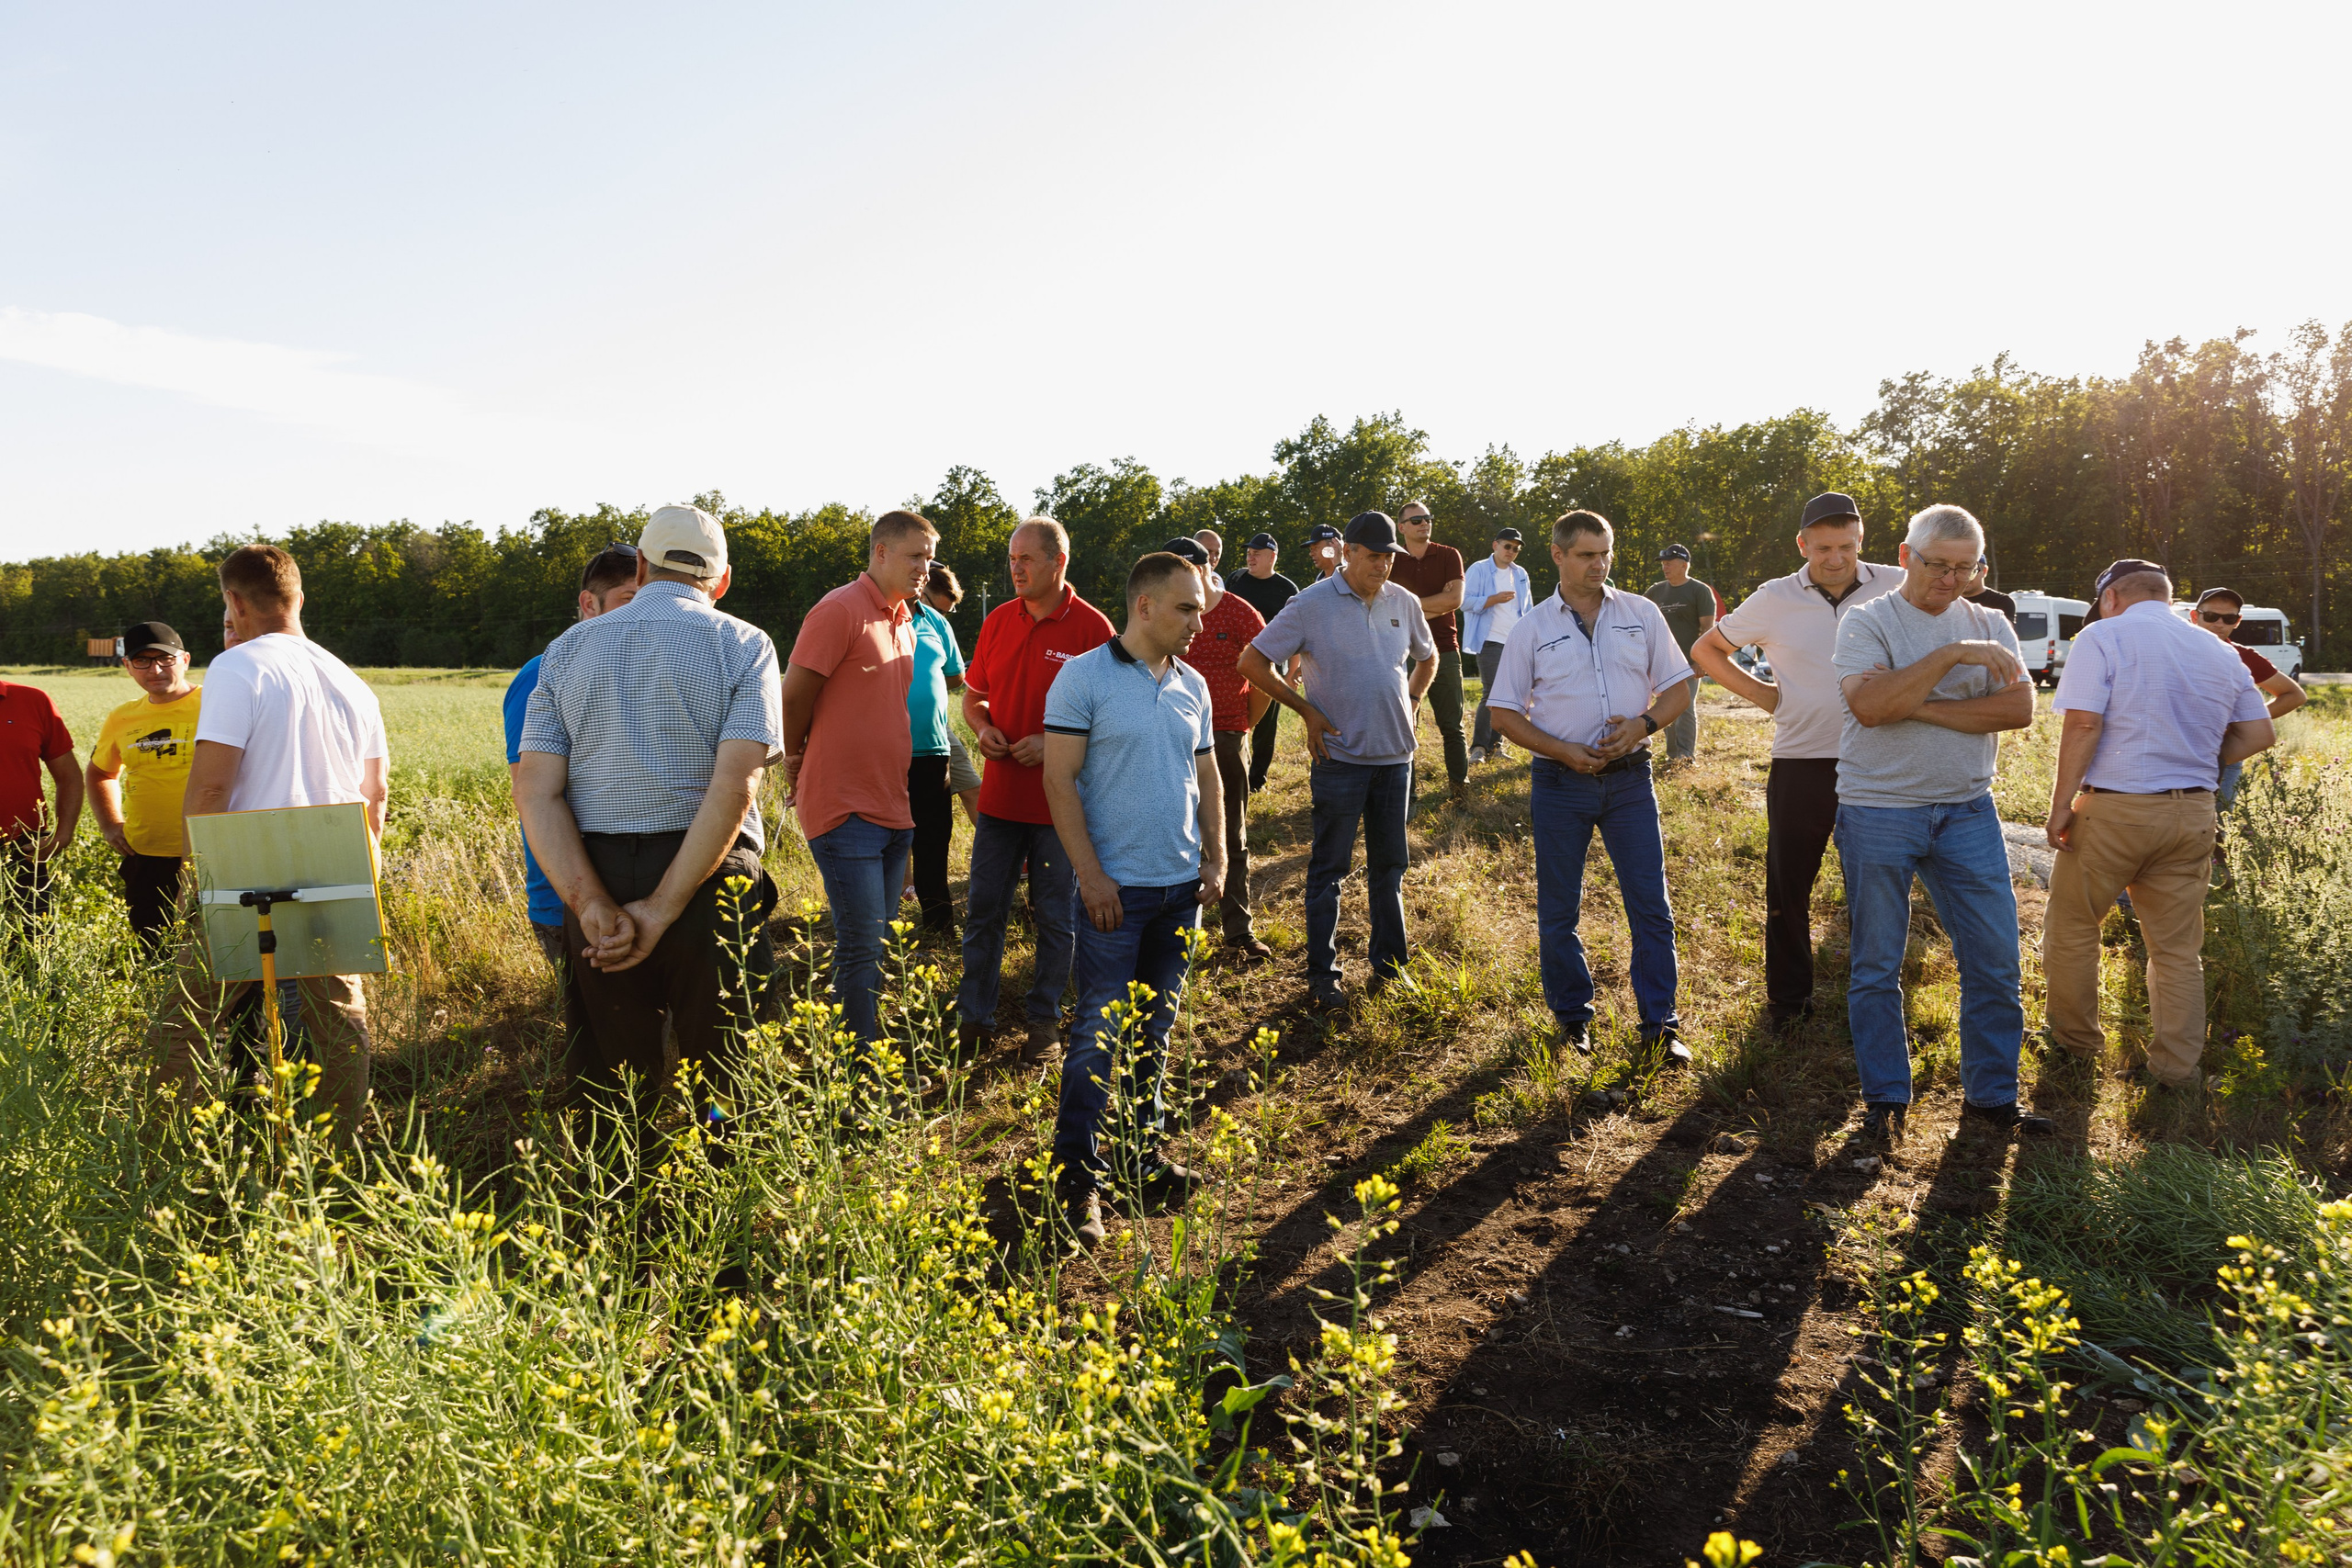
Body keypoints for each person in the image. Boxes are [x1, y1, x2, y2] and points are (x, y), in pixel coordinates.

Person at [516, 505, 783, 1134]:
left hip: (598, 875)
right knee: (725, 1065)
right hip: (709, 878)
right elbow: (735, 785)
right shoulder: (746, 644)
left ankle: (620, 1183)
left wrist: (589, 904)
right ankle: (724, 1173)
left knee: (611, 1076)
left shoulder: (566, 650)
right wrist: (662, 909)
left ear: (640, 565)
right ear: (722, 580)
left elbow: (536, 793)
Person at [152, 545, 388, 1137]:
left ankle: (165, 1150)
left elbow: (211, 787)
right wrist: (362, 877)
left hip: (246, 854)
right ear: (298, 598)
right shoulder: (350, 679)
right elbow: (376, 794)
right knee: (338, 1021)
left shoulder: (237, 667)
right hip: (337, 854)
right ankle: (336, 1151)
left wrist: (193, 875)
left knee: (188, 1017)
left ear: (233, 601)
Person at [1833, 504, 2050, 1143]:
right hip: (1878, 807)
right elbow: (1871, 708)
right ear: (1906, 556)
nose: (1953, 581)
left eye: (1967, 568)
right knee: (1877, 963)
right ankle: (1885, 1097)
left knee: (1995, 959)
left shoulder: (1993, 622)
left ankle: (1992, 1096)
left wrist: (1916, 702)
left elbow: (2017, 710)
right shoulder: (1866, 620)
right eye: (1938, 566)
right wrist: (1954, 655)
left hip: (1967, 809)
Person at [1042, 551, 1225, 1246]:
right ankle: (1076, 1178)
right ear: (1144, 606)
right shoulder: (1082, 677)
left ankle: (1140, 1157)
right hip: (1114, 893)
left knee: (1155, 1030)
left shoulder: (1193, 684)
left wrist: (1218, 856)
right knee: (1097, 1033)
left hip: (1181, 891)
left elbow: (1208, 776)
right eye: (1187, 608)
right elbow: (1058, 780)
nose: (1198, 623)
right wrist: (1091, 876)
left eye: (1200, 608)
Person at [2042, 560, 2275, 1092]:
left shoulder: (2102, 637)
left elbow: (2084, 722)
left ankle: (2076, 1047)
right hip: (2193, 812)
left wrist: (2060, 805)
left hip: (2115, 809)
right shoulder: (2220, 650)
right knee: (2176, 950)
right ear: (2168, 598)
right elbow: (2260, 733)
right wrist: (2193, 759)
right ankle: (2176, 1071)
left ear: (2110, 598)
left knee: (2074, 927)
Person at [1485, 511, 1695, 1061]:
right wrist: (1563, 750)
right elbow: (1503, 713)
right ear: (1558, 555)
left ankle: (1660, 1024)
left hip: (1631, 781)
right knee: (1559, 909)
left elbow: (1678, 689)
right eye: (1585, 555)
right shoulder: (1532, 627)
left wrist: (1643, 726)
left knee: (1651, 906)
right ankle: (1573, 1018)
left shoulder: (1641, 613)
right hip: (1560, 783)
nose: (1599, 564)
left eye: (1605, 553)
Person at [1690, 492, 1903, 1026]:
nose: (1836, 558)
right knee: (1789, 885)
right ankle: (1788, 1001)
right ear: (1802, 544)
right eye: (1823, 548)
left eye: (1847, 547)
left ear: (1861, 541)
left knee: (1878, 889)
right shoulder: (1775, 597)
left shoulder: (1897, 585)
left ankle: (1876, 999)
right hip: (1803, 758)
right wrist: (1766, 695)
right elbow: (1706, 650)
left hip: (1881, 759)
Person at [1238, 512, 1436, 1009]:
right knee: (1329, 868)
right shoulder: (1309, 604)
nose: (1383, 566)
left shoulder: (1404, 601)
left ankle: (1391, 966)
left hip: (1396, 758)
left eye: (1389, 557)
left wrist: (1413, 700)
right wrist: (1306, 711)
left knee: (1390, 867)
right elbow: (1252, 661)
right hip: (1340, 758)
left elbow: (1427, 656)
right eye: (1373, 556)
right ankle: (1322, 975)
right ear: (1348, 552)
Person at [957, 517, 1116, 1063]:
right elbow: (973, 697)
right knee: (984, 911)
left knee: (1055, 916)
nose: (1016, 568)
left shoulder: (1093, 629)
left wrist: (1054, 745)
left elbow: (1113, 718)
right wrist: (983, 728)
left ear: (1058, 561)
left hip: (1060, 808)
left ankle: (1043, 1023)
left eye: (1026, 558)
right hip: (1000, 802)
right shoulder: (999, 620)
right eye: (1012, 558)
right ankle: (973, 1020)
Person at [784, 510, 937, 1053]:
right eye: (915, 556)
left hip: (893, 804)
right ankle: (856, 1063)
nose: (924, 568)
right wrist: (794, 756)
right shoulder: (839, 609)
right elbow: (794, 695)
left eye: (929, 558)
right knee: (863, 942)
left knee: (880, 941)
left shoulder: (906, 619)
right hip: (844, 807)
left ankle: (859, 1045)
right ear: (881, 552)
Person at [503, 547, 641, 968]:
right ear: (589, 603)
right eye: (628, 599)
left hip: (636, 886)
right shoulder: (542, 672)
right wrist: (581, 896)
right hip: (568, 898)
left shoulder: (638, 668)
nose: (641, 614)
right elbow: (530, 790)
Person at [1166, 536, 1272, 958]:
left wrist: (1241, 726)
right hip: (1170, 738)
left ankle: (1238, 930)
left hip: (1226, 736)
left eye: (1192, 570)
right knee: (1173, 832)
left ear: (1208, 566)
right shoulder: (1164, 613)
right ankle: (1174, 931)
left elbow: (1263, 675)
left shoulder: (1240, 613)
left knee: (1230, 833)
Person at [85, 622, 201, 953]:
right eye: (143, 661)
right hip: (147, 857)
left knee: (220, 956)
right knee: (156, 952)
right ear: (127, 666)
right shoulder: (122, 718)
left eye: (165, 659)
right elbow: (99, 773)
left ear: (185, 660)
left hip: (211, 853)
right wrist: (110, 824)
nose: (155, 669)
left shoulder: (216, 704)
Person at [899, 547, 969, 936]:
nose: (920, 573)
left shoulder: (936, 622)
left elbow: (955, 675)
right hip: (879, 750)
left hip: (931, 750)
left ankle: (939, 928)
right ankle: (877, 931)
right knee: (883, 840)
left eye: (926, 566)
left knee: (933, 842)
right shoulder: (863, 614)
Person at [2188, 587, 2305, 807]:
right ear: (2195, 616)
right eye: (2211, 616)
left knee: (2218, 821)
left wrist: (2244, 723)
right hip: (2173, 751)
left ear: (2238, 621)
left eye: (2229, 618)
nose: (2219, 623)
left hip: (2223, 752)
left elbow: (2294, 695)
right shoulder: (2173, 649)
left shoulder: (2244, 656)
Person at [1392, 500, 1470, 805]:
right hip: (1403, 653)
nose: (1424, 523)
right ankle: (1407, 798)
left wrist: (1409, 608)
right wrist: (1435, 603)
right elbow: (1387, 606)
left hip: (1445, 650)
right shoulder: (1392, 559)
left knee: (1452, 727)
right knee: (1405, 724)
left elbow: (1454, 601)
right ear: (1402, 528)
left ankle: (1460, 794)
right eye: (1417, 520)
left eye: (1428, 518)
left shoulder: (1449, 555)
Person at [0, 670, 80, 922]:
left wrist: (62, 835)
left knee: (30, 942)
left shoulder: (32, 700)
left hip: (21, 850)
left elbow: (69, 777)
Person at [1227, 532, 1300, 792]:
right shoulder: (1235, 580)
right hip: (1233, 664)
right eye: (1249, 553)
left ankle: (1257, 780)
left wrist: (1291, 672)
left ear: (1272, 557)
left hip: (1271, 663)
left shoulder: (1287, 589)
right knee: (1234, 719)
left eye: (1256, 554)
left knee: (1266, 725)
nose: (1250, 557)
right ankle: (1233, 769)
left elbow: (1297, 631)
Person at [1463, 526, 1533, 765]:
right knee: (1492, 693)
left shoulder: (1520, 573)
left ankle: (1496, 747)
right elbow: (1464, 602)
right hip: (1489, 641)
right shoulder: (1479, 569)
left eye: (1516, 549)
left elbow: (1528, 609)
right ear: (1495, 545)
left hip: (1515, 642)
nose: (1511, 551)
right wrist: (1493, 599)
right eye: (1507, 546)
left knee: (1508, 696)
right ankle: (1478, 748)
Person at [1644, 545, 1715, 767]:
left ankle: (1686, 757)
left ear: (1684, 565)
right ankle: (1672, 756)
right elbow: (1638, 617)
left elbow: (1708, 629)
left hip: (1688, 662)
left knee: (1684, 707)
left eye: (1669, 563)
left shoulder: (1699, 591)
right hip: (1662, 661)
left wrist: (1700, 661)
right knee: (1666, 707)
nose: (1664, 567)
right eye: (1663, 563)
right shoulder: (1655, 591)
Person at [923, 565, 984, 825]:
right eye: (938, 610)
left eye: (946, 614)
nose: (940, 618)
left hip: (936, 727)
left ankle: (994, 849)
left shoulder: (937, 625)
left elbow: (956, 676)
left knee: (973, 788)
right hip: (894, 731)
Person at [1962, 560, 2017, 624]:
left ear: (1984, 571)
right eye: (1960, 571)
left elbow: (2005, 629)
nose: (1965, 577)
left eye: (1972, 571)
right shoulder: (1952, 601)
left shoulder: (2002, 602)